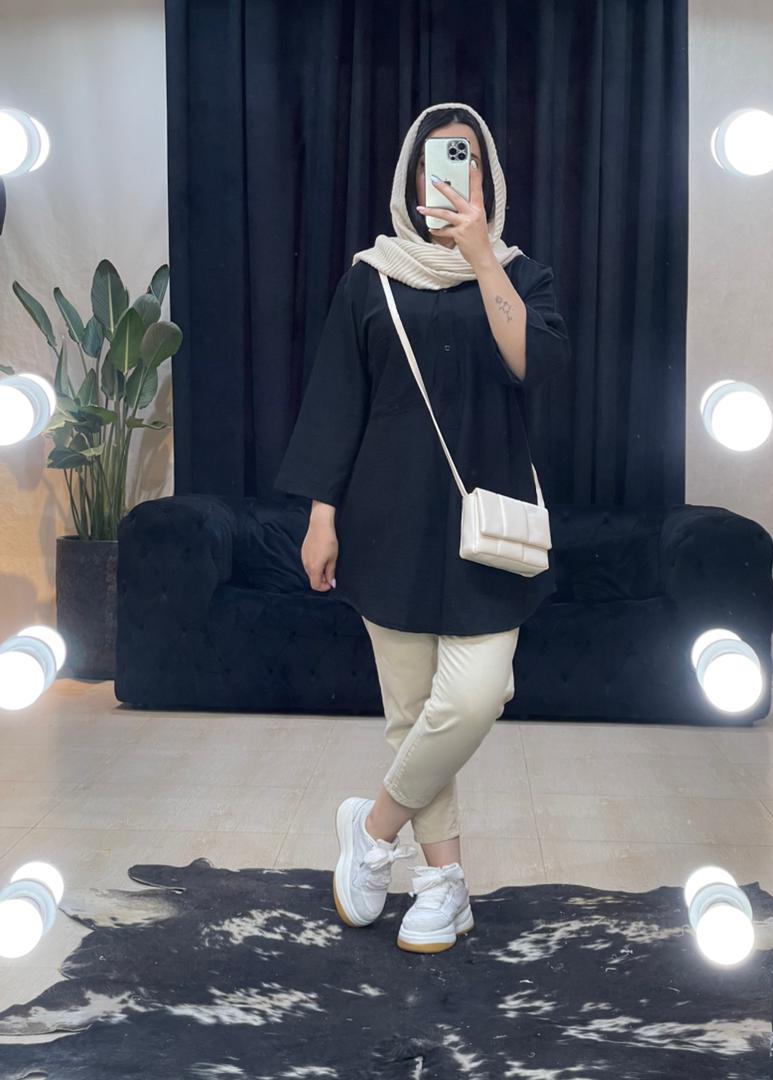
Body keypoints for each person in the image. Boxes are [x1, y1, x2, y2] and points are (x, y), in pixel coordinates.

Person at [273, 101, 570, 953]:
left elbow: (535, 364)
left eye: (464, 157)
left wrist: (478, 256)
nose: (449, 174)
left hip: (489, 531)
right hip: (386, 522)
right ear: (412, 178)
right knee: (411, 716)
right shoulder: (371, 276)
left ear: (488, 177)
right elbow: (339, 400)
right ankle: (444, 883)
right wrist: (321, 514)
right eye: (435, 160)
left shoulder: (520, 273)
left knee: (474, 696)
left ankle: (371, 830)